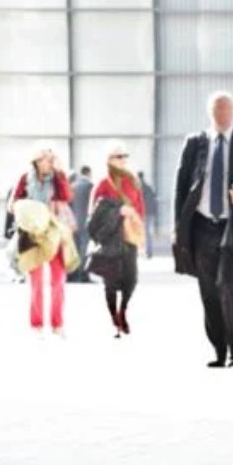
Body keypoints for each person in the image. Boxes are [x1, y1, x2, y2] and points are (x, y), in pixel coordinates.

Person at [173, 92, 233, 368]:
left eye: (226, 109)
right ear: (210, 112)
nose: (222, 114)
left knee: (228, 285)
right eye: (217, 110)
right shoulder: (195, 143)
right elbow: (181, 186)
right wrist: (179, 228)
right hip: (202, 225)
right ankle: (219, 349)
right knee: (208, 290)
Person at [11, 145, 74, 336]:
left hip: (54, 231)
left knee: (58, 280)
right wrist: (30, 213)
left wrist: (61, 172)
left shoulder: (56, 178)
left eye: (52, 159)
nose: (50, 162)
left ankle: (57, 324)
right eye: (48, 159)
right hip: (32, 234)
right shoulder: (25, 179)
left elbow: (67, 196)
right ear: (37, 161)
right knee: (36, 282)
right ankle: (36, 325)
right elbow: (13, 204)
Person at [90, 144, 146, 338]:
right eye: (118, 156)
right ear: (109, 160)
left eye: (124, 155)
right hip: (110, 239)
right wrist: (118, 212)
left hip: (129, 237)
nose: (123, 159)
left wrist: (138, 229)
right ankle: (115, 318)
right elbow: (94, 215)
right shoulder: (103, 184)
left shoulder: (133, 181)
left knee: (131, 279)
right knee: (111, 283)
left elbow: (140, 209)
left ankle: (123, 310)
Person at [69, 166, 94, 282]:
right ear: (88, 173)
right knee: (85, 249)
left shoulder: (72, 186)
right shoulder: (90, 186)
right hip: (85, 222)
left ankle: (73, 274)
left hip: (73, 223)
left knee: (74, 248)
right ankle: (82, 274)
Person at [138, 172, 158, 259]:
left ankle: (143, 251)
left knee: (141, 232)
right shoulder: (148, 187)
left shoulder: (138, 188)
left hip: (142, 213)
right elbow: (153, 200)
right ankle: (148, 252)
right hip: (149, 213)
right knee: (147, 233)